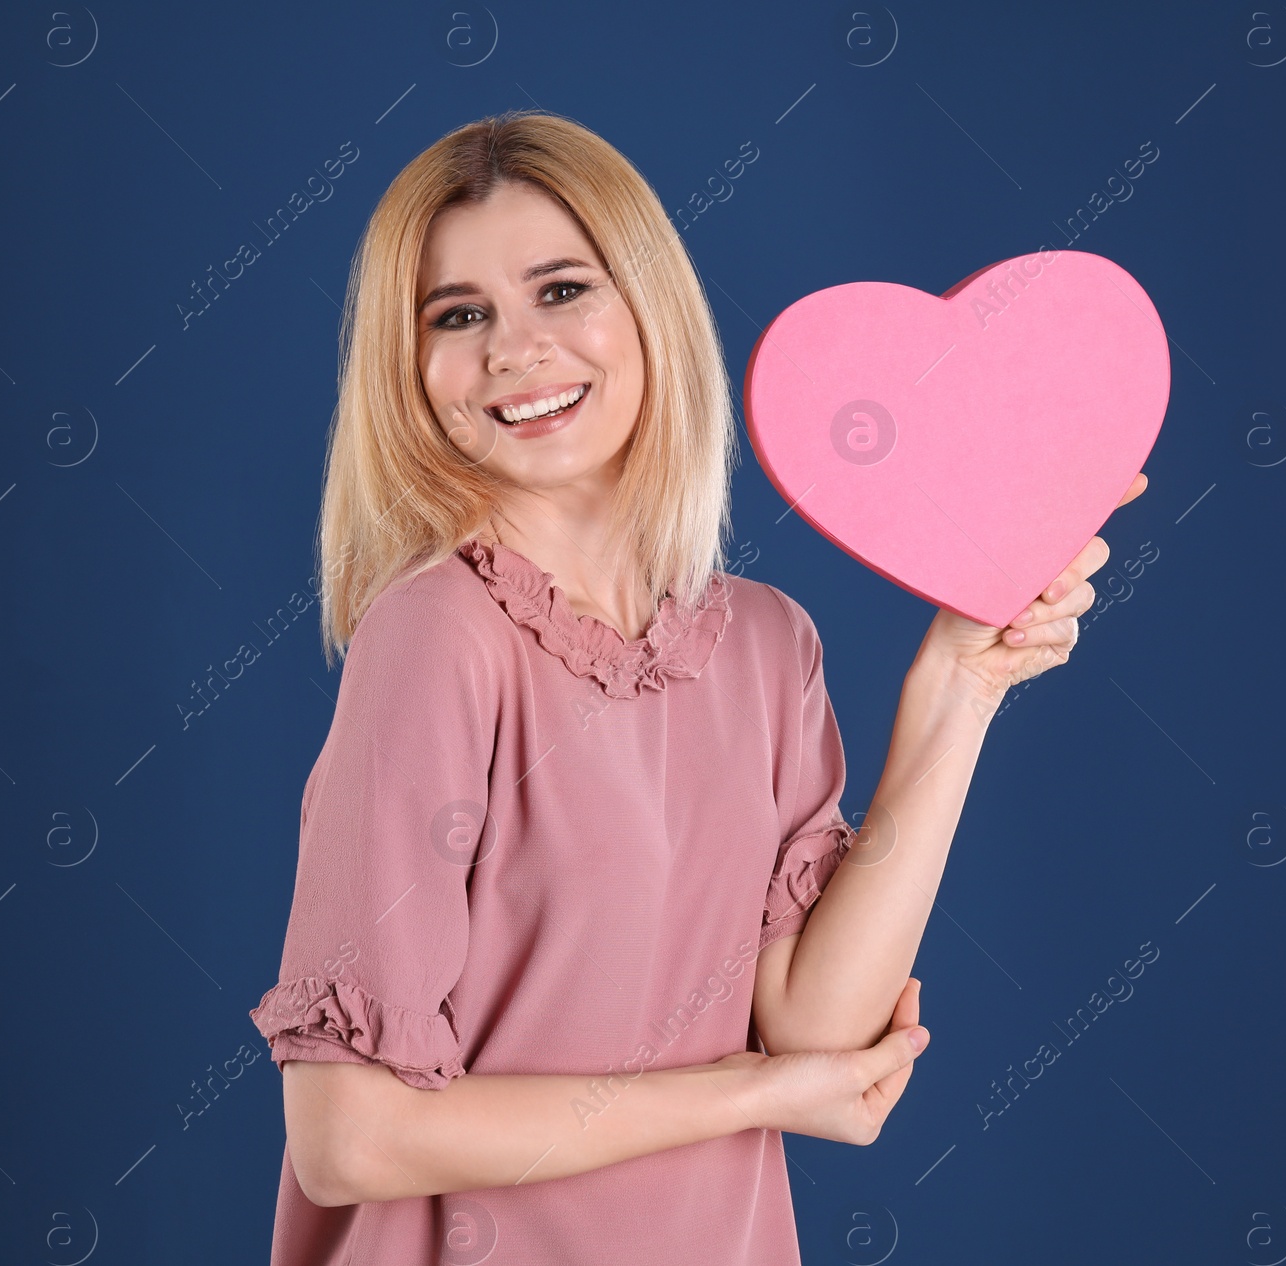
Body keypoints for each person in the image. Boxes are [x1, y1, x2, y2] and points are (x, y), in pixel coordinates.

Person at [250, 108, 1146, 1265]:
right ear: (408, 368)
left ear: (648, 307)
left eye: (561, 289)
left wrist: (961, 687)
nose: (514, 349)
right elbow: (350, 1142)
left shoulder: (767, 644)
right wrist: (745, 1096)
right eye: (458, 316)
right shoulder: (434, 638)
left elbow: (813, 1024)